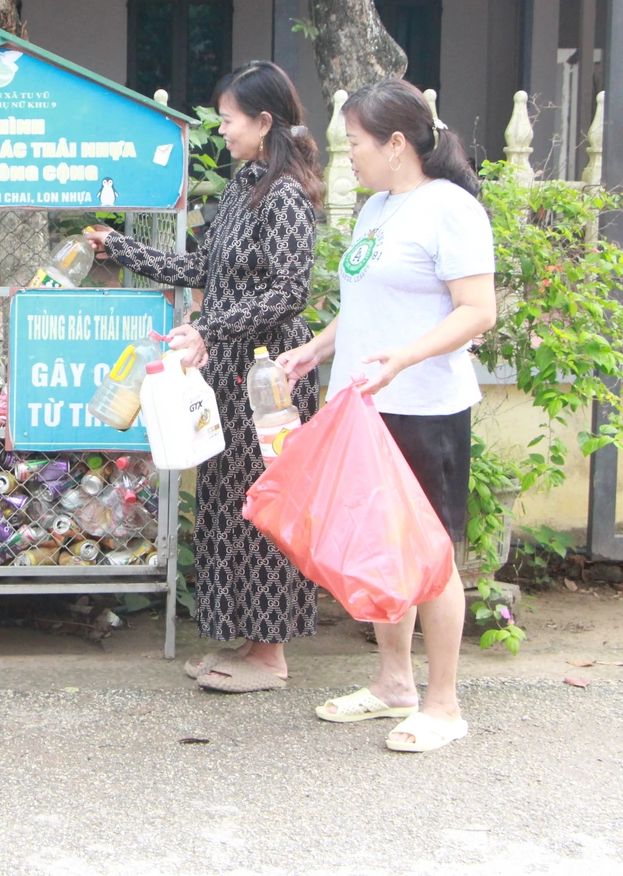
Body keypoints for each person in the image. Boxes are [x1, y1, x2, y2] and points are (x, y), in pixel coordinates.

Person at [84, 60, 323, 693]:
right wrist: (120, 248)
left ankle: (271, 657)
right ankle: (249, 640)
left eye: (229, 120)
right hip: (226, 373)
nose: (222, 131)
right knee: (226, 505)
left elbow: (289, 293)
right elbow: (205, 268)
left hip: (269, 377)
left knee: (263, 505)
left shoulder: (286, 195)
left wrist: (210, 329)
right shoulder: (246, 184)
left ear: (264, 122)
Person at [276, 78, 496, 753]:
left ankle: (444, 704)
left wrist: (405, 357)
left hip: (424, 407)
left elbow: (478, 311)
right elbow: (365, 305)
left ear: (397, 143)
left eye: (357, 144)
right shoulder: (376, 209)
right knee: (382, 547)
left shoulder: (450, 209)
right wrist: (315, 349)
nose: (350, 157)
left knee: (432, 556)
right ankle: (395, 683)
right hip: (364, 406)